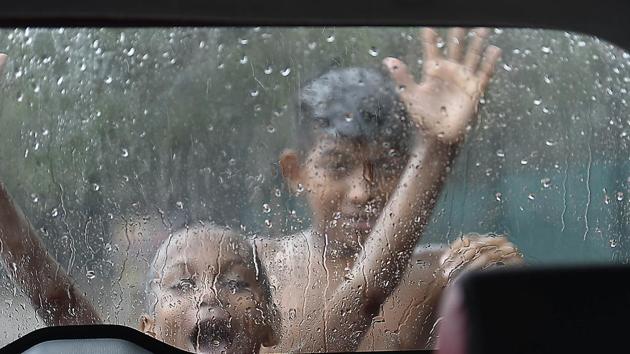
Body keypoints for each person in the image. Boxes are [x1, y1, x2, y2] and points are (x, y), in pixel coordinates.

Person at [258, 27, 522, 352]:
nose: (361, 191)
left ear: (409, 170)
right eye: (338, 166)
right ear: (295, 172)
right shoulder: (254, 271)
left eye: (384, 166)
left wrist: (502, 281)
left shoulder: (442, 275)